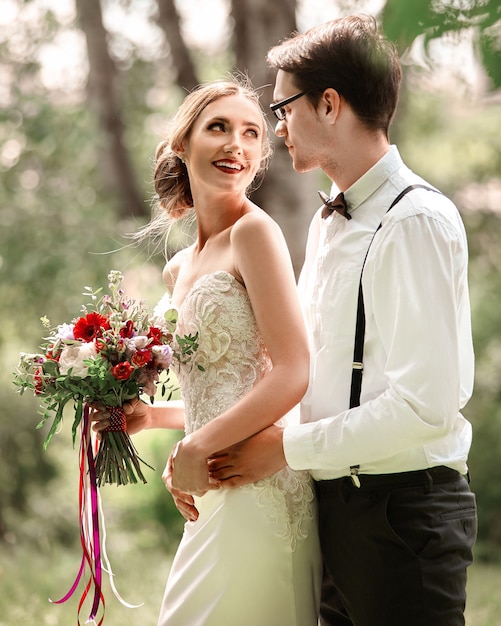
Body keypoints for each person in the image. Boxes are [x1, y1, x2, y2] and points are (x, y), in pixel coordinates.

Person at [203, 15, 478, 626]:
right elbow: (311, 370)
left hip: (402, 513)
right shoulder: (331, 222)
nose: (276, 129)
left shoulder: (413, 222)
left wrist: (288, 449)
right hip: (334, 506)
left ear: (329, 104)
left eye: (284, 108)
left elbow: (424, 404)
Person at [94, 78, 321, 625]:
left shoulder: (255, 234)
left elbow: (293, 372)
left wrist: (195, 447)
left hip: (255, 482)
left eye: (250, 133)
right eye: (218, 127)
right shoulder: (179, 267)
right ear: (183, 143)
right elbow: (222, 386)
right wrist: (153, 416)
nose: (235, 145)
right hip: (212, 480)